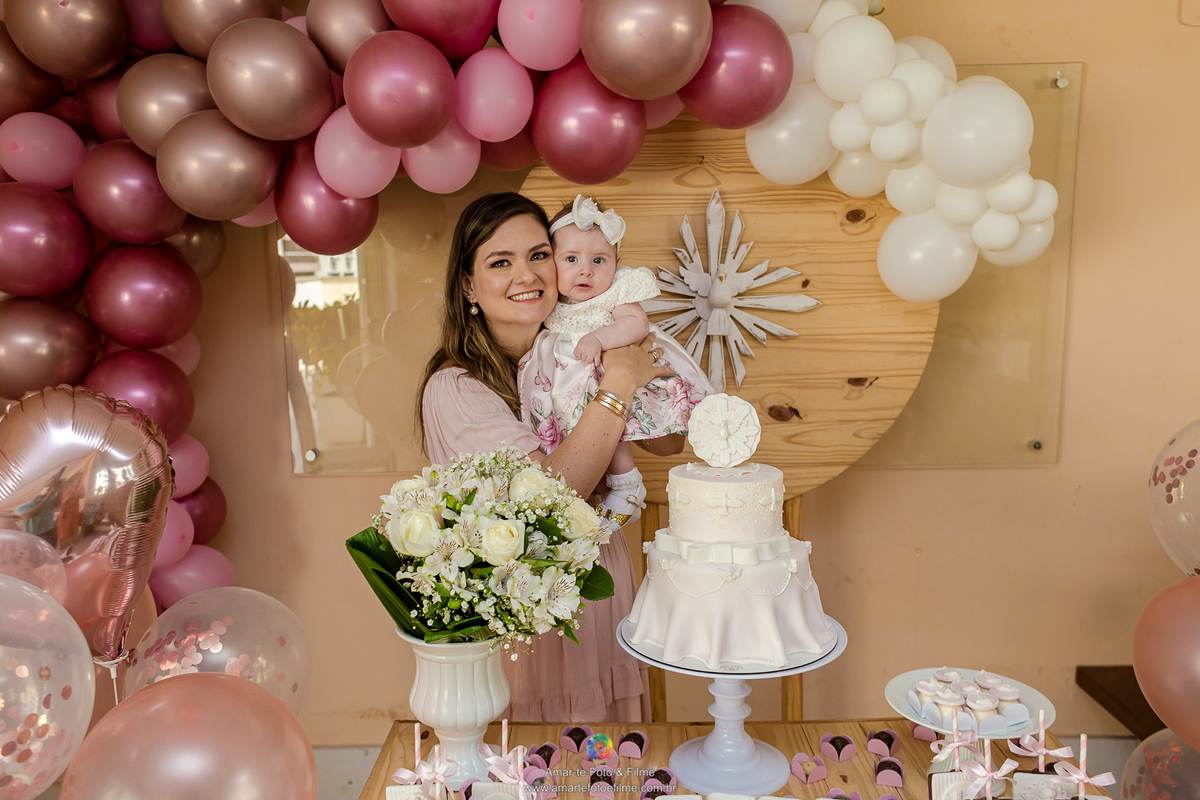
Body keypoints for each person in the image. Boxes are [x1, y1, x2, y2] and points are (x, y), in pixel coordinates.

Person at [418, 192, 676, 722]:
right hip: (533, 620)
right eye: (500, 262)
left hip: (603, 586)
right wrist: (621, 383)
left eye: (539, 255)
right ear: (468, 285)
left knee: (611, 767)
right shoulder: (455, 388)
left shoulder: (569, 353)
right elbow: (553, 497)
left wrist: (631, 360)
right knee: (551, 763)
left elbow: (669, 443)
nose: (527, 275)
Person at [519, 195, 713, 528]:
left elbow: (635, 324)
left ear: (617, 262)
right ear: (551, 262)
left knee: (611, 416)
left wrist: (598, 339)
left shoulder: (616, 291)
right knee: (576, 420)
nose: (585, 270)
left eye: (599, 260)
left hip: (607, 365)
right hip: (566, 374)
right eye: (571, 259)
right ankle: (588, 478)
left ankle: (626, 482)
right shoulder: (548, 298)